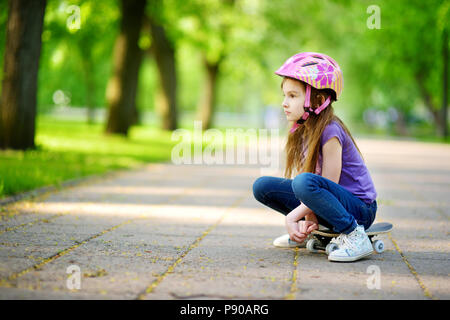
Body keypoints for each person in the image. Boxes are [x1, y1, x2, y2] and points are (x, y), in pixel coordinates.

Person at [252, 52, 378, 262]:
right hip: (329, 201)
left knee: (302, 182)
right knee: (262, 186)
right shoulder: (302, 130)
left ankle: (356, 236)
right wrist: (308, 217)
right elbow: (310, 186)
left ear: (318, 99)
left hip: (359, 209)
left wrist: (294, 216)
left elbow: (327, 183)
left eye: (292, 96)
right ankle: (314, 232)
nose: (284, 103)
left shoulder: (330, 131)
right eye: (284, 95)